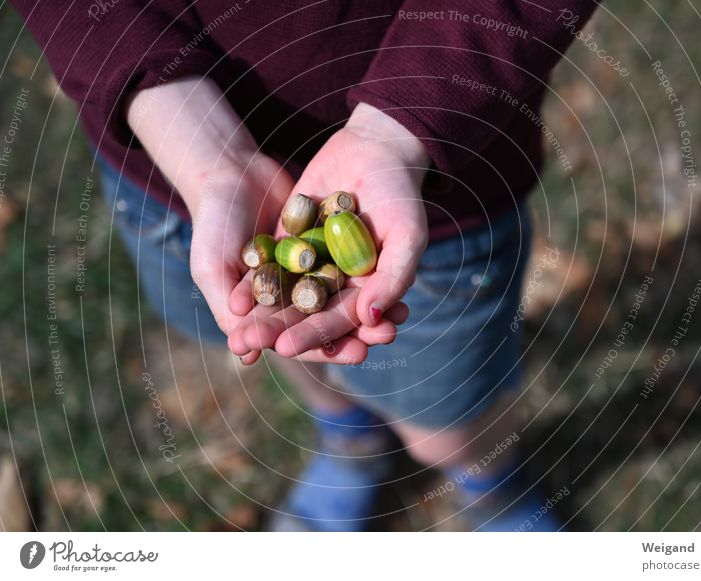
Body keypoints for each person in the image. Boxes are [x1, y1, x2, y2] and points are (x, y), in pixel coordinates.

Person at [14, 1, 598, 531]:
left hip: (442, 187)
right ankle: (350, 438)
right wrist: (201, 149)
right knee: (283, 339)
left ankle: (486, 482)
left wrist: (399, 130)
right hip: (165, 171)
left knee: (447, 409)